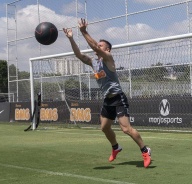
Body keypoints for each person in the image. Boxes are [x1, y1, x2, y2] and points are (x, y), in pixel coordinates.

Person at [63, 18, 151, 168]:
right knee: (104, 127)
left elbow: (96, 48)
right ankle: (116, 147)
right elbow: (79, 55)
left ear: (107, 50)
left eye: (101, 45)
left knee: (125, 129)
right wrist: (71, 38)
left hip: (118, 98)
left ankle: (145, 150)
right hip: (107, 100)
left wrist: (84, 32)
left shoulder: (109, 59)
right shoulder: (94, 63)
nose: (98, 46)